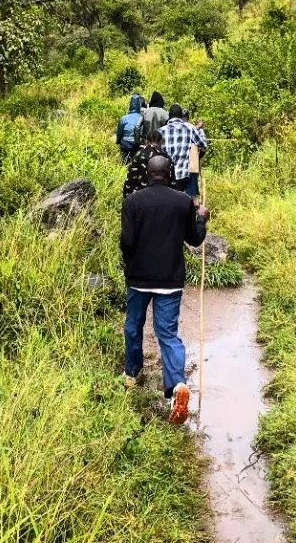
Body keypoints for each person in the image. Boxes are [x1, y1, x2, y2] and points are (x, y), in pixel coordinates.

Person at [120, 155, 209, 424]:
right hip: (170, 279)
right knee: (168, 334)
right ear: (169, 174)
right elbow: (194, 239)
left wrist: (130, 264)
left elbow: (126, 241)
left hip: (138, 278)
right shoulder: (183, 201)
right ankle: (175, 387)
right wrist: (201, 219)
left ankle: (132, 374)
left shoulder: (132, 201)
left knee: (133, 326)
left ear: (148, 174)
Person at [161, 104, 208, 199]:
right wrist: (201, 130)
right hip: (183, 175)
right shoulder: (190, 128)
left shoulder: (160, 131)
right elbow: (203, 145)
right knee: (183, 201)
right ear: (180, 116)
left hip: (166, 176)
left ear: (169, 116)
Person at [123, 129, 166, 198]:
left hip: (141, 194)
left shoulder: (139, 154)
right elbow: (172, 180)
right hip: (161, 195)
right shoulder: (165, 157)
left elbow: (131, 176)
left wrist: (127, 195)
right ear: (161, 142)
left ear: (147, 141)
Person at [115, 93, 146, 162]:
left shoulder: (124, 118)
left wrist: (118, 141)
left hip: (125, 144)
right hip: (137, 145)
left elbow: (119, 132)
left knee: (125, 161)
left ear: (130, 105)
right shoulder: (142, 117)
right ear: (139, 106)